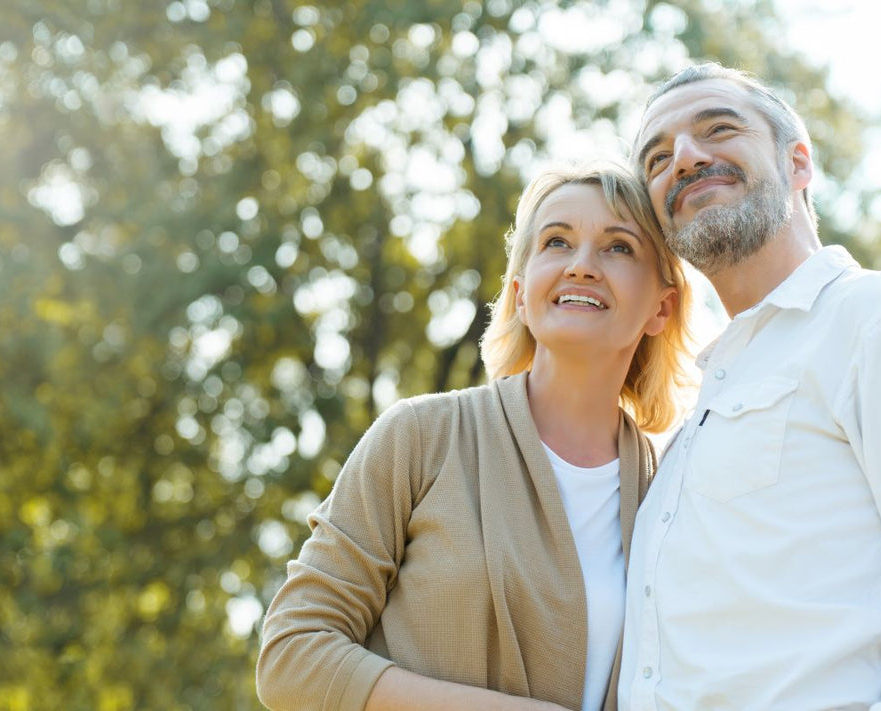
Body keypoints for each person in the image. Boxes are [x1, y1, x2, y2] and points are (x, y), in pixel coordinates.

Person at [618, 62, 881, 710]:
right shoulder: (691, 417)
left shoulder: (878, 317)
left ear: (799, 162)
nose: (685, 158)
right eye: (657, 158)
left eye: (717, 129)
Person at [257, 162, 694, 711]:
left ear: (662, 307)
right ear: (519, 291)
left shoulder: (673, 491)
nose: (582, 266)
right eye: (556, 242)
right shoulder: (421, 437)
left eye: (619, 247)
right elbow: (291, 654)